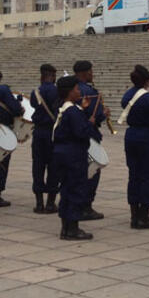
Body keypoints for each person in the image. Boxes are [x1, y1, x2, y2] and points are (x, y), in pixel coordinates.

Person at [53, 75, 102, 240]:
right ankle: (73, 228)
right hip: (73, 154)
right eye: (76, 89)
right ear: (69, 92)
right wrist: (90, 122)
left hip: (62, 153)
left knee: (66, 189)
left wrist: (83, 108)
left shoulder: (64, 107)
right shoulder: (73, 111)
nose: (79, 91)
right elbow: (81, 132)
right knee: (76, 189)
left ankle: (66, 227)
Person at [120, 65, 149, 229]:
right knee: (148, 176)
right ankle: (144, 215)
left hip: (131, 136)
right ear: (147, 81)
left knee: (134, 174)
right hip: (148, 138)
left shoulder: (128, 95)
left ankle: (134, 214)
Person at [74, 60, 109, 220]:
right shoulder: (88, 91)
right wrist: (104, 114)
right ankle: (86, 206)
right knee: (91, 172)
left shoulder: (69, 89)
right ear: (86, 72)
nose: (92, 74)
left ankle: (75, 204)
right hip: (89, 135)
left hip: (73, 135)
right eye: (91, 71)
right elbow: (97, 113)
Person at [0, 67, 23, 207]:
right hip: (2, 130)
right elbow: (15, 108)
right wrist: (20, 108)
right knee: (1, 163)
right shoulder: (3, 90)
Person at [30, 64, 60, 214]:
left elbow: (33, 106)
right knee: (54, 167)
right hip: (52, 133)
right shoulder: (56, 91)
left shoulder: (35, 92)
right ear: (53, 76)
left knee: (38, 166)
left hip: (38, 132)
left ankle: (39, 203)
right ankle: (50, 203)